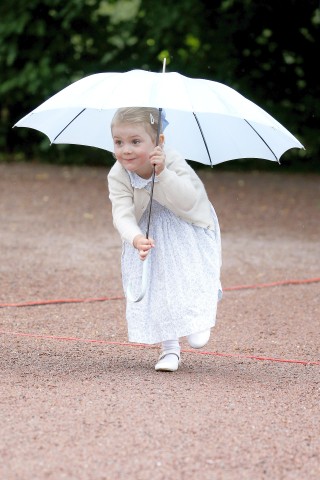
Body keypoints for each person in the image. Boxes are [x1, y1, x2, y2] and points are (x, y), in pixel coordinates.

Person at [107, 107, 222, 372]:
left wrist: (163, 173)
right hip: (149, 230)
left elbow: (188, 199)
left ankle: (198, 316)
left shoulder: (173, 160)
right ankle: (170, 349)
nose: (126, 150)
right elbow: (121, 213)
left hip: (186, 223)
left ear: (158, 142)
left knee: (186, 272)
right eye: (118, 142)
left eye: (136, 142)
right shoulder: (118, 174)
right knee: (158, 284)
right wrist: (135, 237)